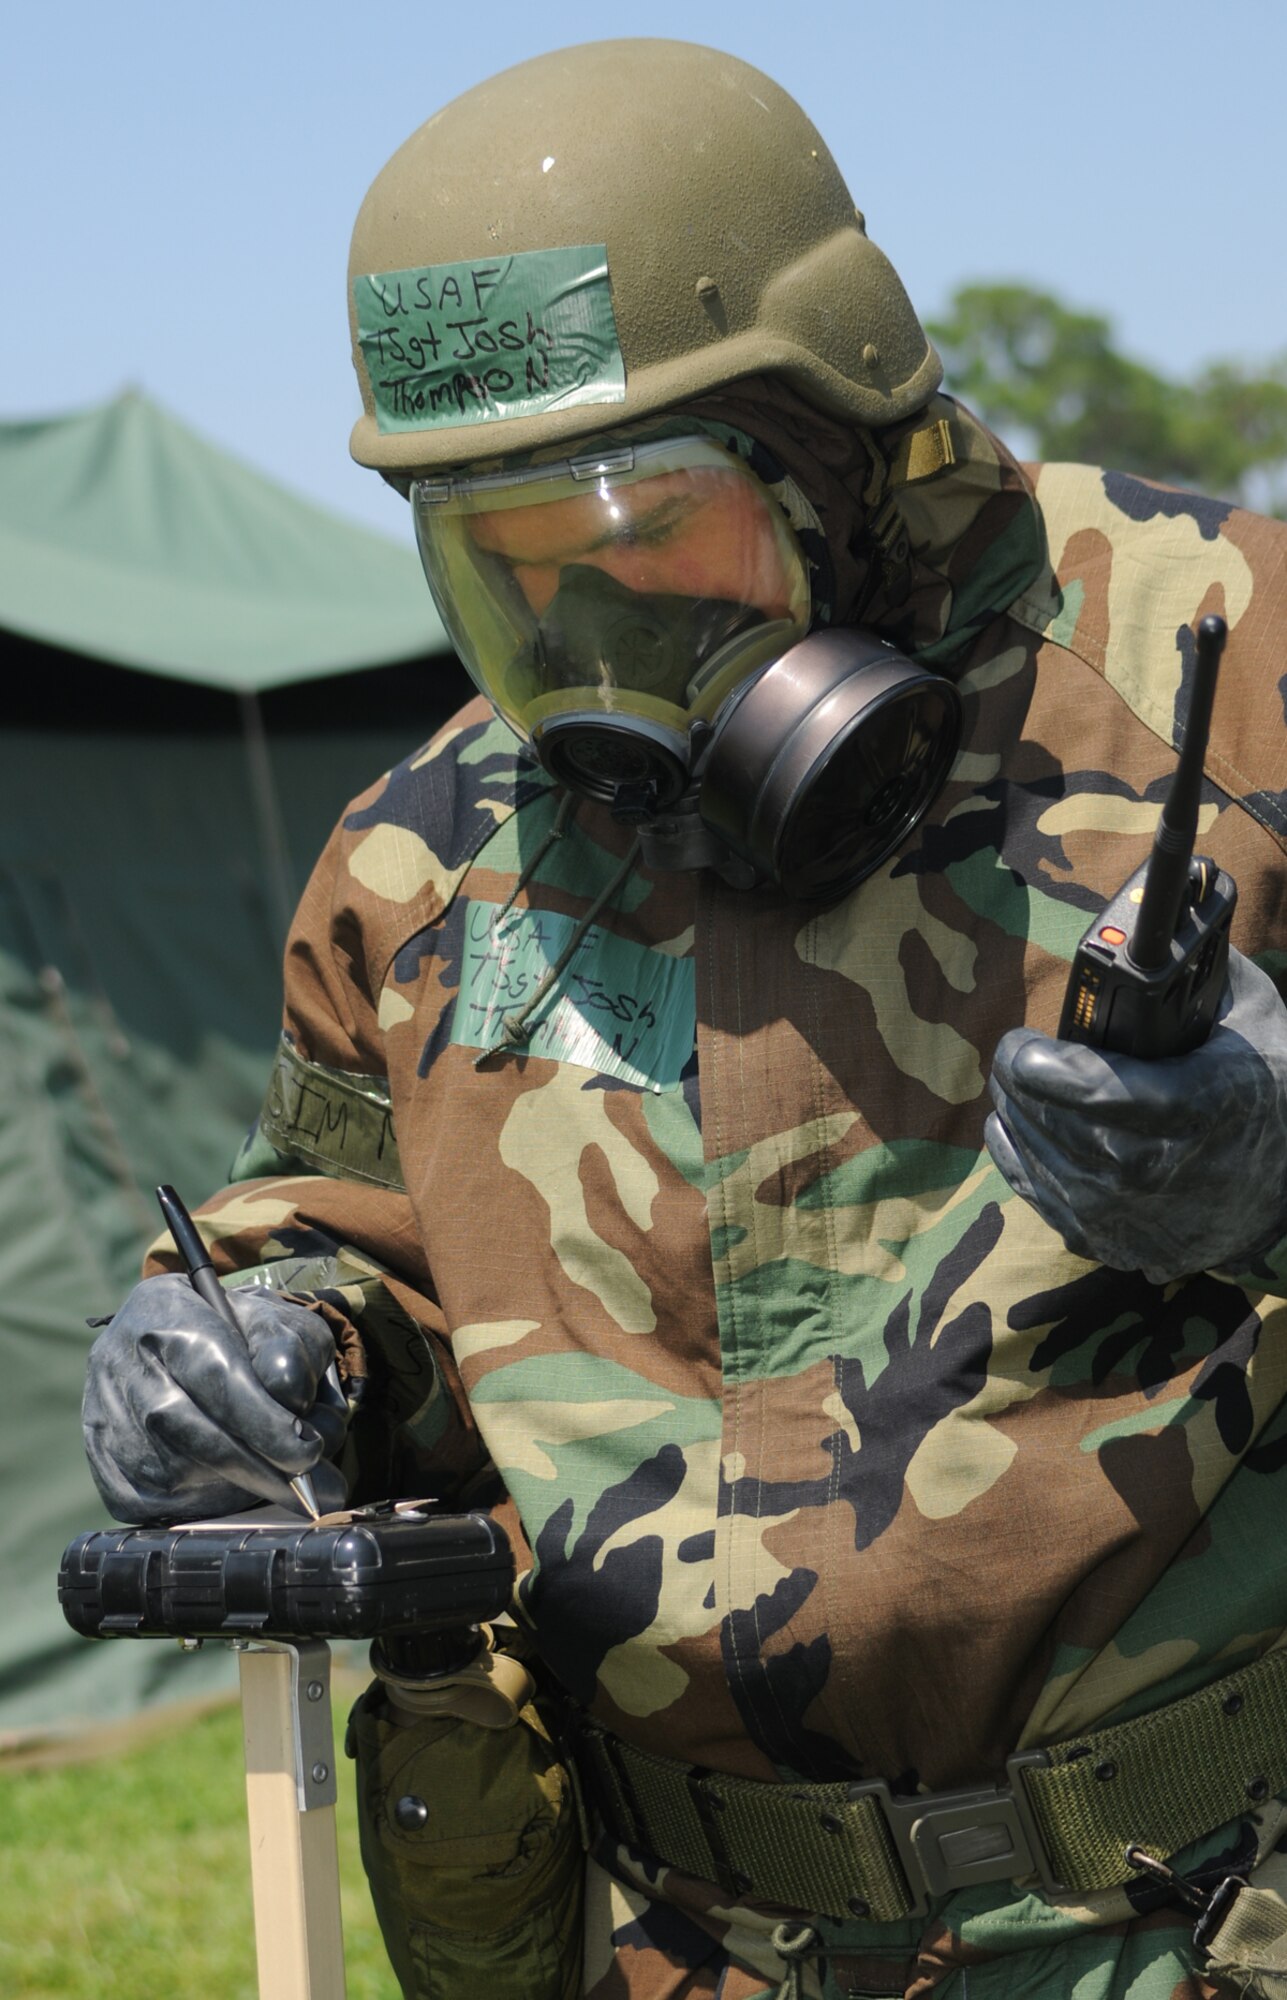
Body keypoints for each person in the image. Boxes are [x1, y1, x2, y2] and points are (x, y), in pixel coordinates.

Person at [81, 38, 1287, 2000]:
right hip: (680, 1947)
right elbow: (345, 1237)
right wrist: (250, 1341)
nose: (597, 645)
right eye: (510, 569)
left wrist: (1267, 1155)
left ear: (835, 431)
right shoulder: (420, 853)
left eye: (647, 529)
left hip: (1193, 1920)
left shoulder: (1228, 667)